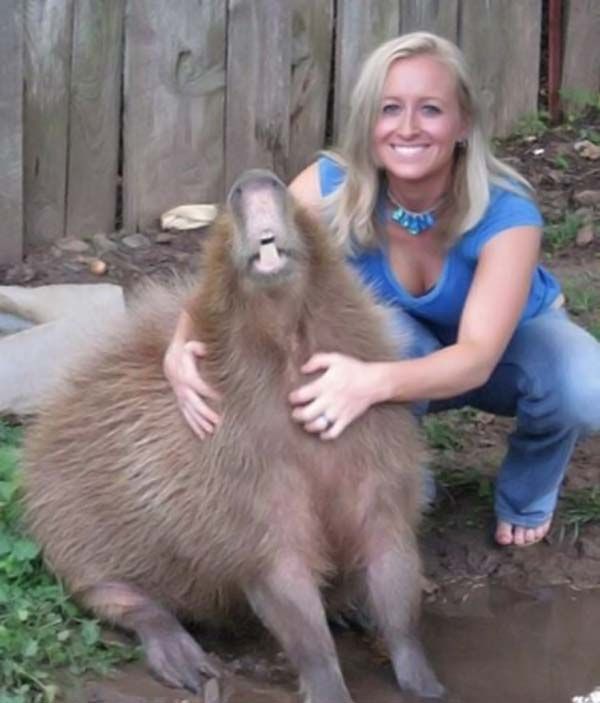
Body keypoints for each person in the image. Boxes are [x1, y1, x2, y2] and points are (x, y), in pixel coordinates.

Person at [163, 32, 600, 548]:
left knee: (583, 383)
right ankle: (398, 474)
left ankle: (528, 490)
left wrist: (369, 383)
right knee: (378, 333)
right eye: (389, 109)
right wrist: (179, 343)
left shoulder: (508, 213)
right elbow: (237, 266)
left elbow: (478, 357)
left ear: (462, 124)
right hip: (400, 344)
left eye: (431, 110)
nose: (408, 128)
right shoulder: (330, 185)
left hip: (507, 353)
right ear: (367, 122)